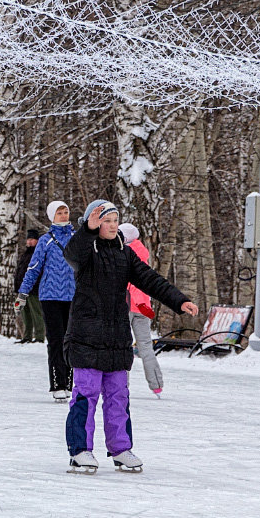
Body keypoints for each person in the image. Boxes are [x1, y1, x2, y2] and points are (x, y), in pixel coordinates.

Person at [63, 200, 197, 474]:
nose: (112, 225)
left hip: (116, 337)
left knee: (118, 396)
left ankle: (121, 449)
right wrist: (87, 231)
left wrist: (179, 301)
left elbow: (150, 280)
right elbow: (73, 254)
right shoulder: (87, 250)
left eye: (115, 220)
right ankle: (80, 451)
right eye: (105, 220)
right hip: (86, 335)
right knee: (85, 395)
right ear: (94, 222)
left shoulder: (124, 252)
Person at [16, 201, 75, 402]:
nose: (64, 215)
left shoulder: (76, 238)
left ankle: (69, 382)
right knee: (56, 339)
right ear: (52, 216)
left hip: (73, 296)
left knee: (71, 340)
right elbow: (34, 268)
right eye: (60, 212)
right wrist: (23, 293)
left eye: (66, 212)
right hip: (50, 296)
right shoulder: (46, 240)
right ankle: (58, 384)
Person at [119, 223, 165, 396]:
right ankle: (156, 383)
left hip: (127, 304)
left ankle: (122, 384)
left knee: (123, 345)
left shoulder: (125, 253)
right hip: (143, 305)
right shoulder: (143, 253)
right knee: (146, 346)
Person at [14, 230, 45, 344]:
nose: (30, 241)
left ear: (37, 241)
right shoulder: (26, 253)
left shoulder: (38, 253)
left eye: (32, 239)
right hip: (22, 288)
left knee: (36, 313)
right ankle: (26, 336)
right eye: (28, 239)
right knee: (24, 312)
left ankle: (39, 336)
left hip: (34, 289)